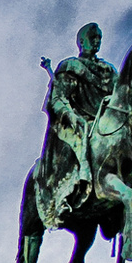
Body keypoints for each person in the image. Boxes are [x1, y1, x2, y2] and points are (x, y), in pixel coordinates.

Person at [42, 23, 117, 224]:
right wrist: (70, 114)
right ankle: (72, 190)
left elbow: (119, 97)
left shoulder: (109, 71)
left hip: (104, 124)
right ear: (81, 41)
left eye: (99, 38)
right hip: (76, 122)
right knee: (81, 140)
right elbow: (58, 98)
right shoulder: (71, 66)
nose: (96, 42)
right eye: (92, 38)